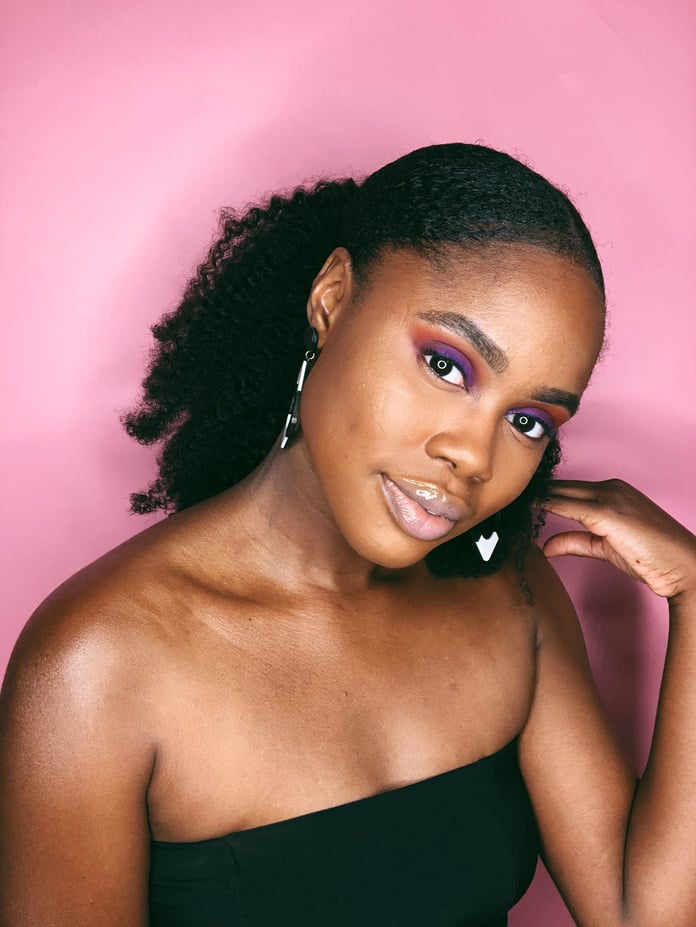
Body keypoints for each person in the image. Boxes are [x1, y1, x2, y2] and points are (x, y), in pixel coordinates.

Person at [0, 143, 694, 927]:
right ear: (331, 300)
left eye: (528, 419)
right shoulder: (98, 665)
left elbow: (644, 914)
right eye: (446, 365)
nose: (473, 455)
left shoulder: (514, 598)